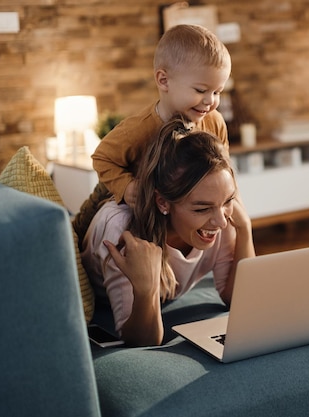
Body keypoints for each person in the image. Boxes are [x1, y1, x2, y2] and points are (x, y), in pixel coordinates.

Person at [81, 116, 255, 347]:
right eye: (202, 208)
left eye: (228, 200)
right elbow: (144, 340)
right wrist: (146, 288)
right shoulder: (122, 231)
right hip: (101, 304)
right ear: (163, 203)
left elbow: (239, 299)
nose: (221, 221)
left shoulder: (221, 216)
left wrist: (245, 230)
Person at [73, 24, 232, 247]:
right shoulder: (136, 130)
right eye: (200, 90)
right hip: (113, 200)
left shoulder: (214, 122)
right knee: (77, 241)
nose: (210, 101)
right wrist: (126, 187)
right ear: (163, 81)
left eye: (217, 92)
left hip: (164, 212)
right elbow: (102, 158)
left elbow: (223, 164)